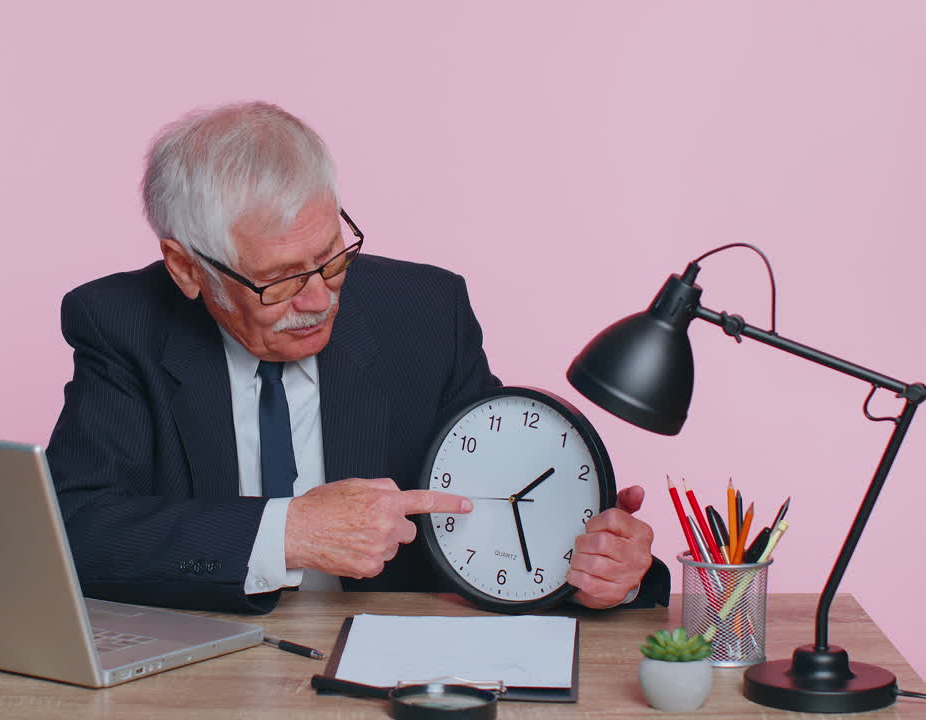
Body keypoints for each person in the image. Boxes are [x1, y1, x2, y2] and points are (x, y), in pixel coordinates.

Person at [46, 101, 667, 613]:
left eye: (333, 257)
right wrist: (287, 533)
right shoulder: (120, 322)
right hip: (205, 668)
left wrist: (606, 570)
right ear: (187, 268)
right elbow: (72, 530)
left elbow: (500, 513)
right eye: (280, 279)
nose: (319, 299)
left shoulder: (427, 312)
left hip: (393, 664)